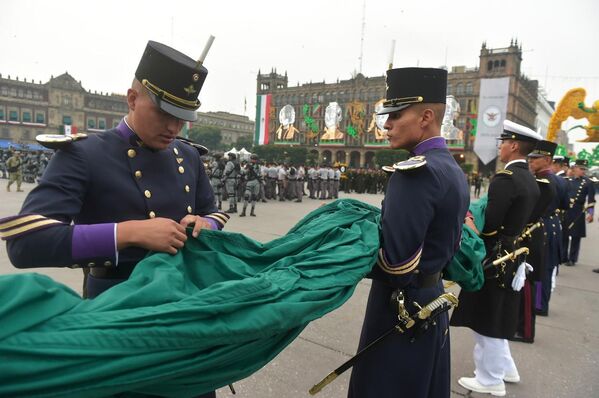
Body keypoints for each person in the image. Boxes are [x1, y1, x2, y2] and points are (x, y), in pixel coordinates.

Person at [348, 67, 469, 398]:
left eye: (396, 115)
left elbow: (396, 265)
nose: (386, 125)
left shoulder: (414, 174)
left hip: (401, 309)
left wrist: (348, 251)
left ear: (426, 116)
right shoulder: (451, 168)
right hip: (431, 301)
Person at [451, 120, 541, 396]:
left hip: (495, 257)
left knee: (486, 317)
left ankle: (490, 379)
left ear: (513, 146)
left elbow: (489, 225)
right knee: (500, 313)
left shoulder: (507, 179)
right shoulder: (529, 178)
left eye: (503, 143)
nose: (500, 147)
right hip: (511, 254)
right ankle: (506, 368)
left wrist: (467, 220)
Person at [562, 159, 595, 266]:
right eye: (581, 169)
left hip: (578, 211)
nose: (583, 171)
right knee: (564, 234)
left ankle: (572, 258)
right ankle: (563, 257)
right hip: (567, 210)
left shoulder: (588, 183)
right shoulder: (568, 180)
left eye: (584, 169)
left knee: (576, 236)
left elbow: (591, 200)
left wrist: (591, 213)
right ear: (575, 168)